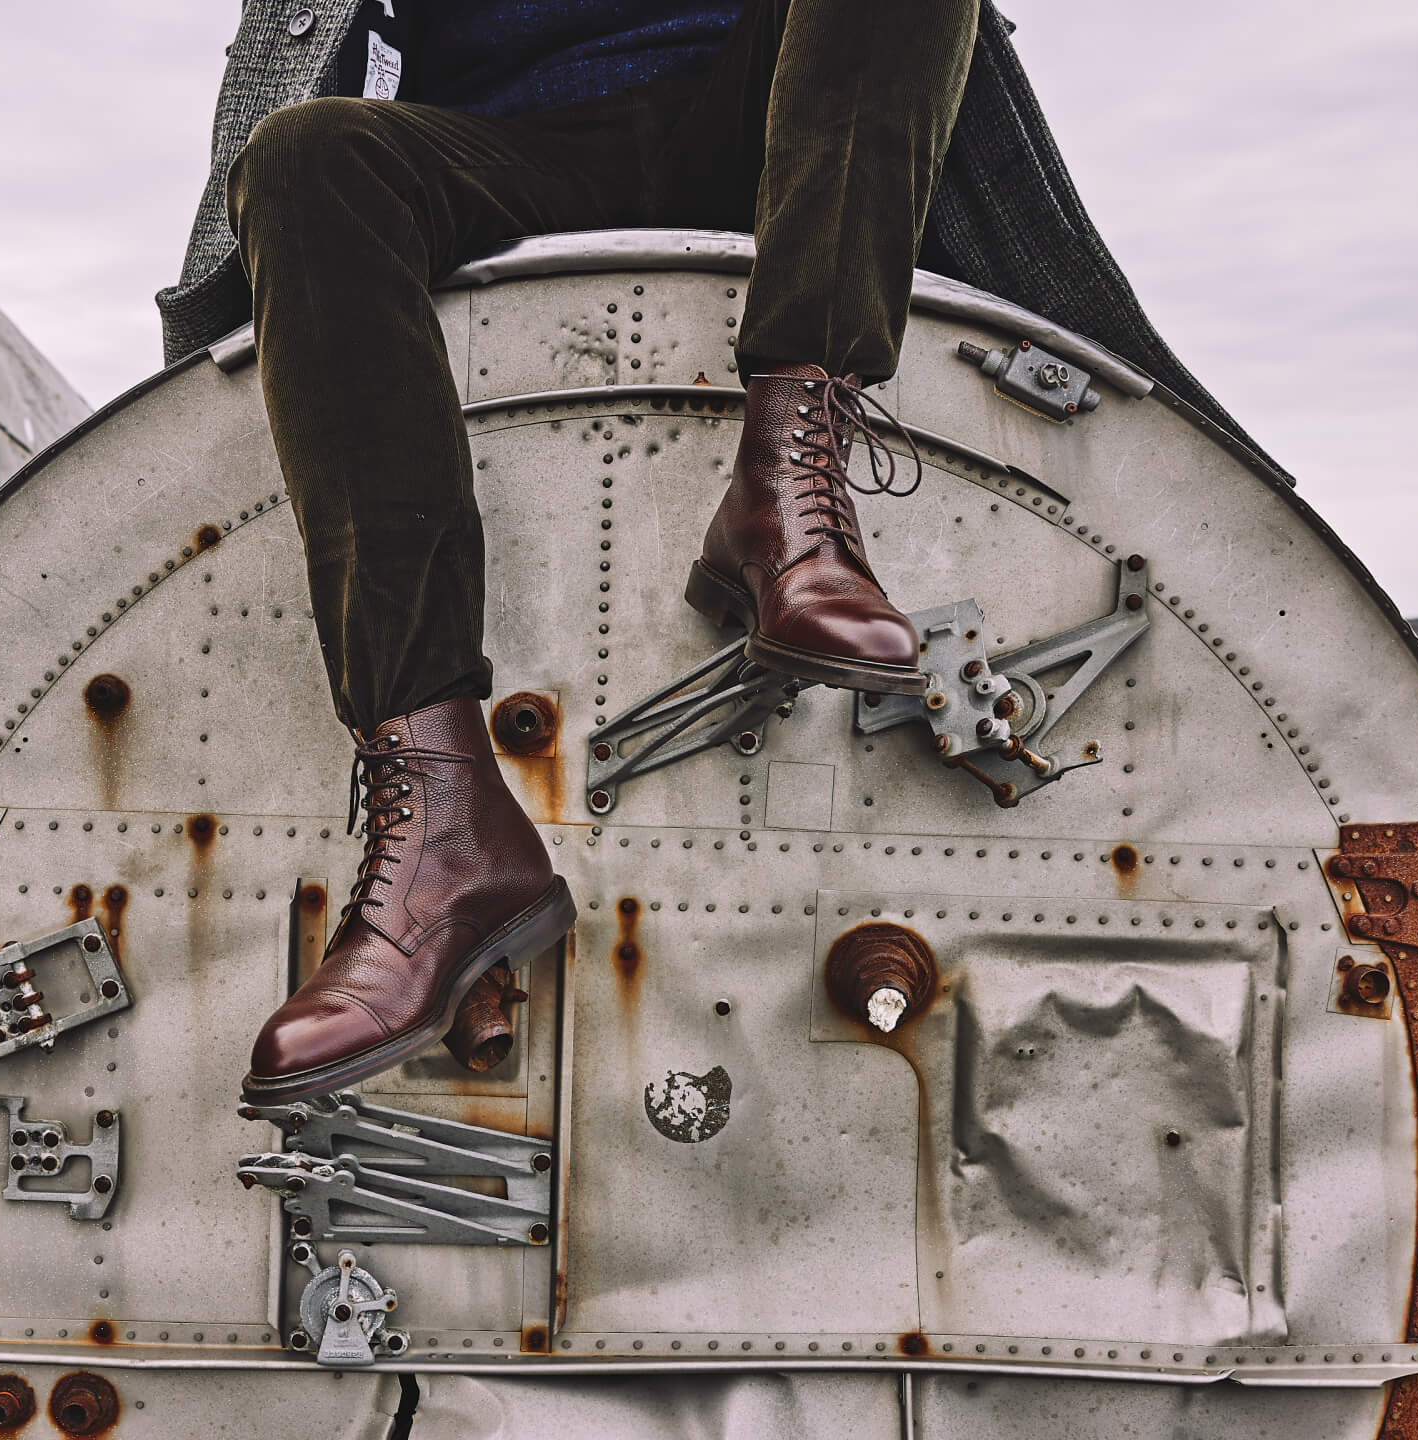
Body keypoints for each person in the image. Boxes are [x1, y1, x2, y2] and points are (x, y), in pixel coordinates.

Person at [187, 0, 981, 1104]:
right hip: (505, 149)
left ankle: (787, 493)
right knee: (306, 156)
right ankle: (445, 842)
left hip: (759, 114)